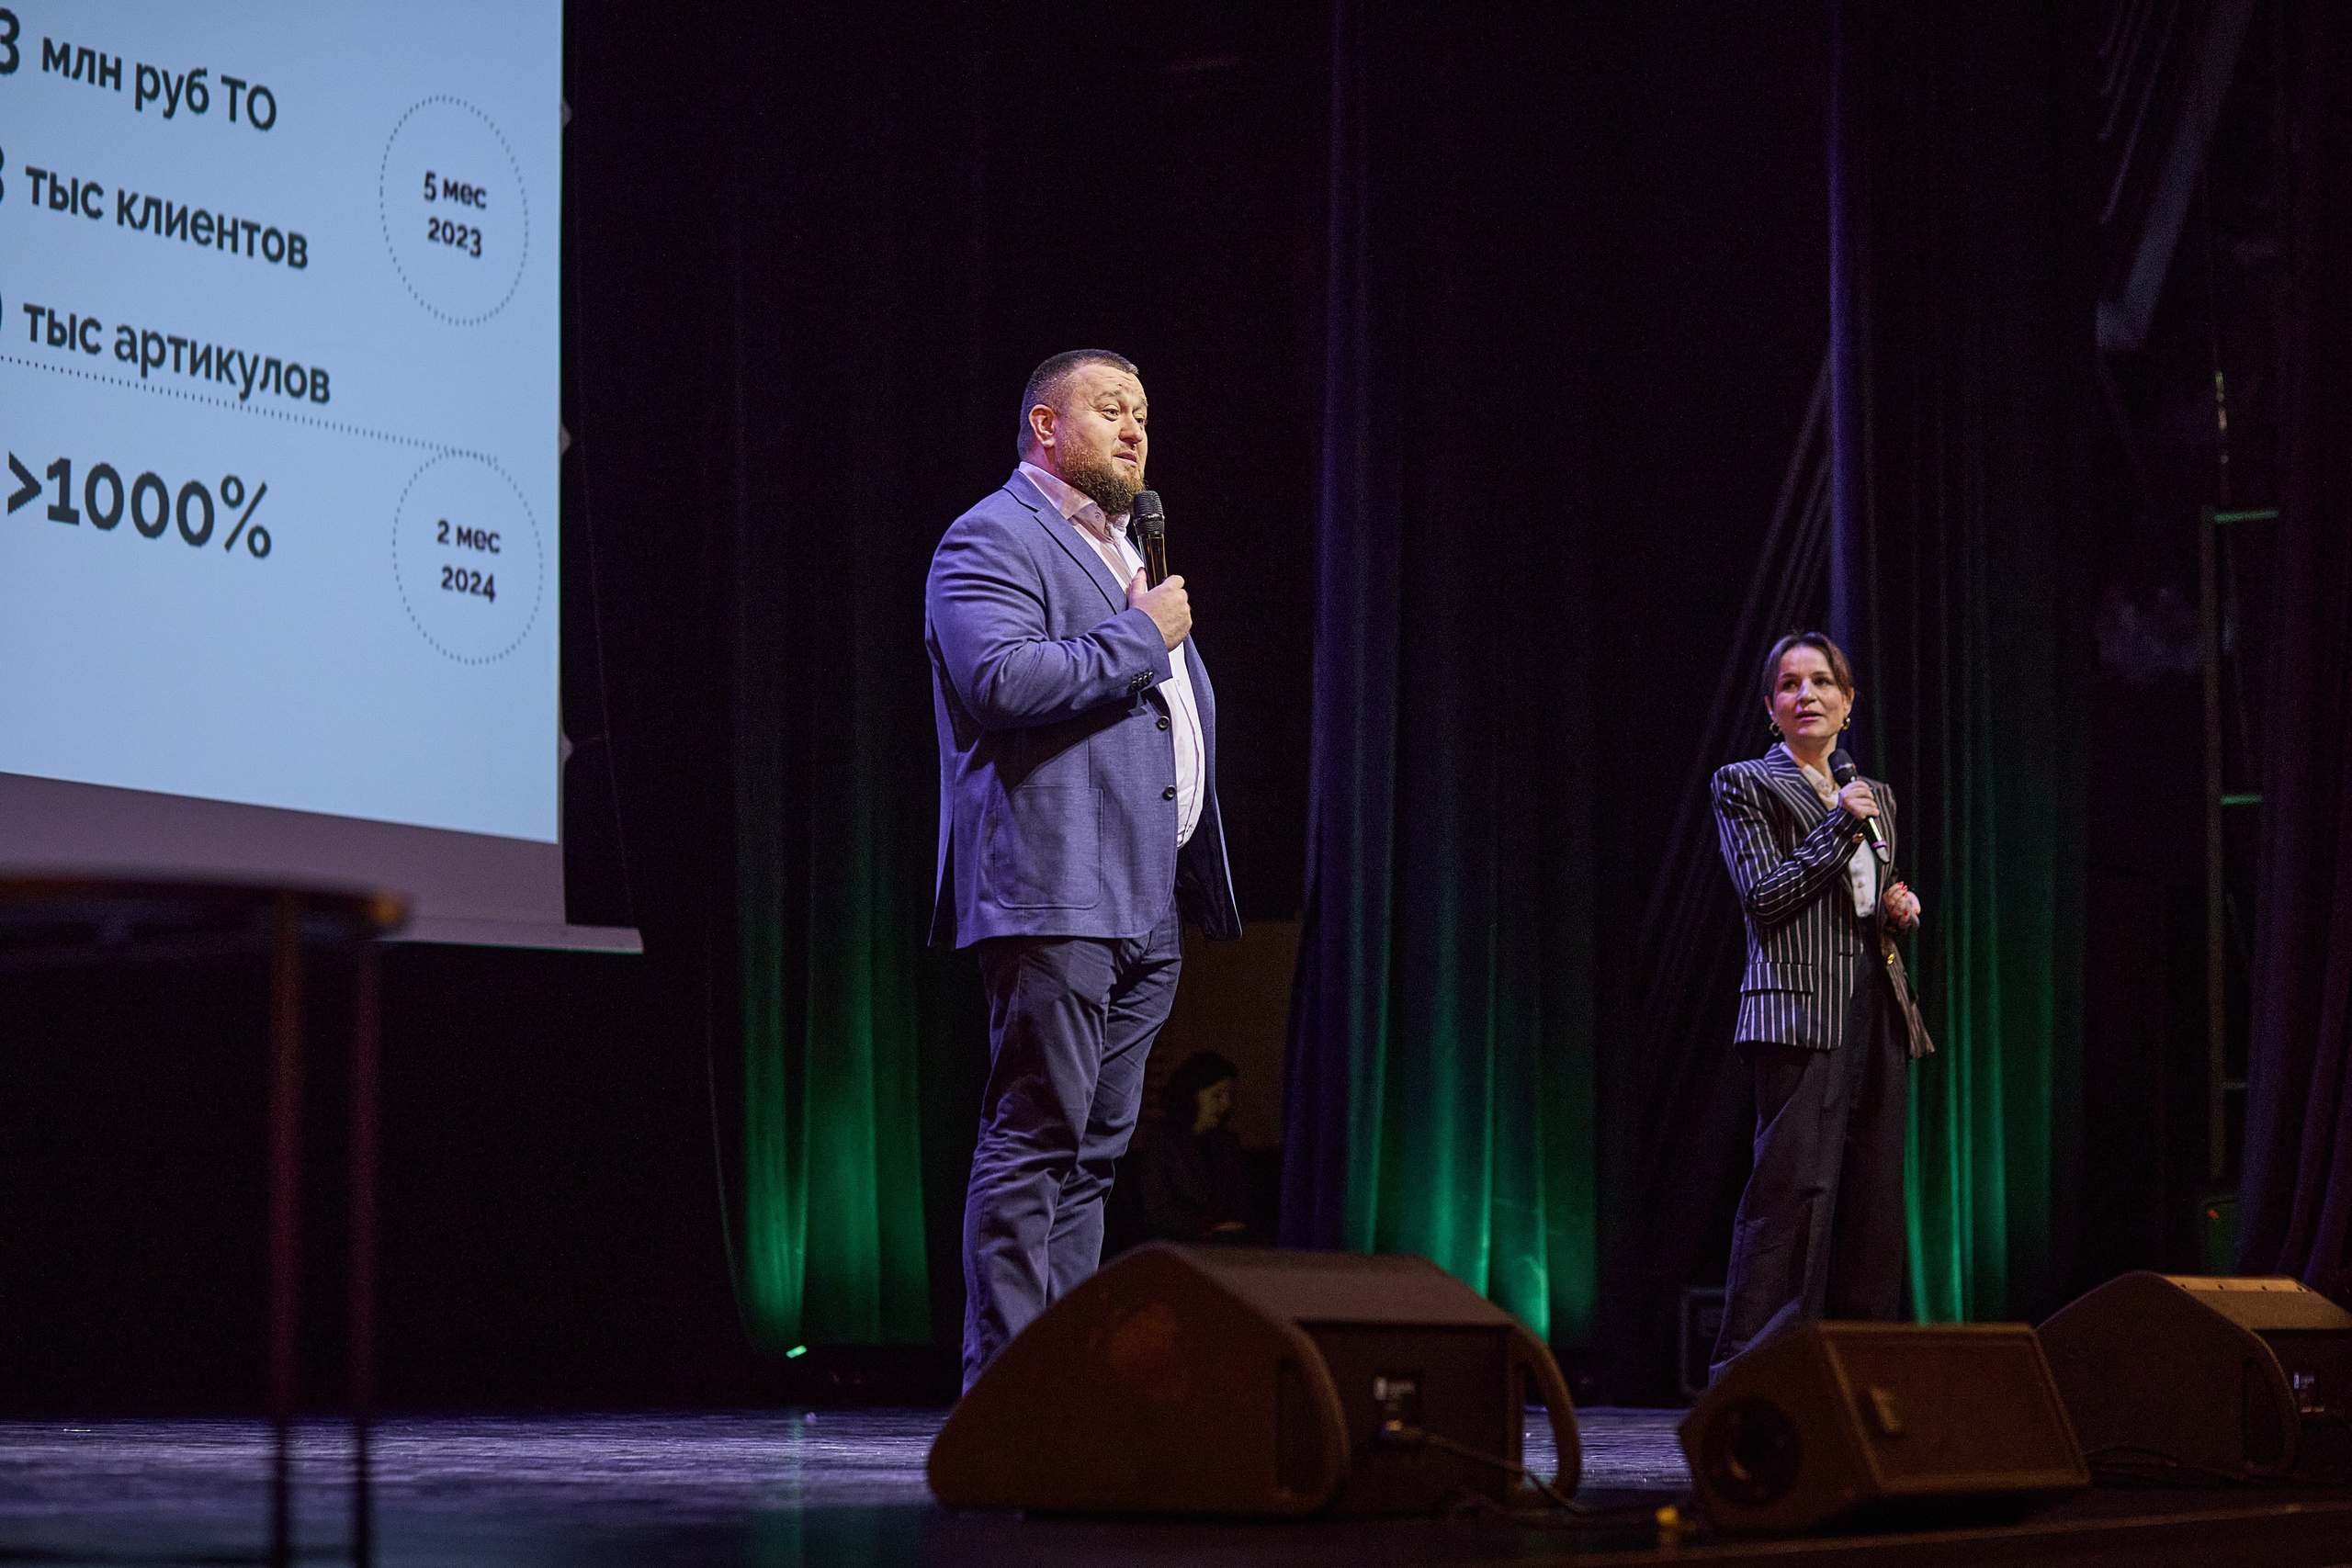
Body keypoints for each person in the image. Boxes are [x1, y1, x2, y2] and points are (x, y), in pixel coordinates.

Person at [925, 350, 1241, 1390]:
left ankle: (1064, 1389)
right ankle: (1006, 1393)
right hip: (1054, 885)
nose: (1134, 429)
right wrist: (1142, 636)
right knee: (1036, 1139)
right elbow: (1001, 678)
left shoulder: (1123, 556)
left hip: (1144, 899)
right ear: (1043, 427)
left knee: (1096, 1158)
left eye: (1143, 413)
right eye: (1110, 409)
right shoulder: (991, 536)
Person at [1708, 631, 1934, 1382]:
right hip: (1799, 1015)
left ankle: (1863, 1377)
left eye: (1822, 683)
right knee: (1793, 1196)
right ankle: (1756, 1380)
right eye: (1789, 685)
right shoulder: (1745, 783)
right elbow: (1766, 897)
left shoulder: (1878, 797)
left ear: (1847, 703)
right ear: (1772, 709)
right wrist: (1841, 823)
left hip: (1877, 1012)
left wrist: (1891, 904)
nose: (1806, 695)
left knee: (1872, 1206)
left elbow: (1858, 899)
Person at [1128, 1050, 1261, 1246]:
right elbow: (1157, 1209)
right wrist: (1209, 1227)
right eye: (1217, 1096)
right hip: (1174, 1248)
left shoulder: (1227, 1144)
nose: (1226, 1104)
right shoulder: (1161, 1138)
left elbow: (1241, 1204)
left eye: (1229, 1096)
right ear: (1193, 1094)